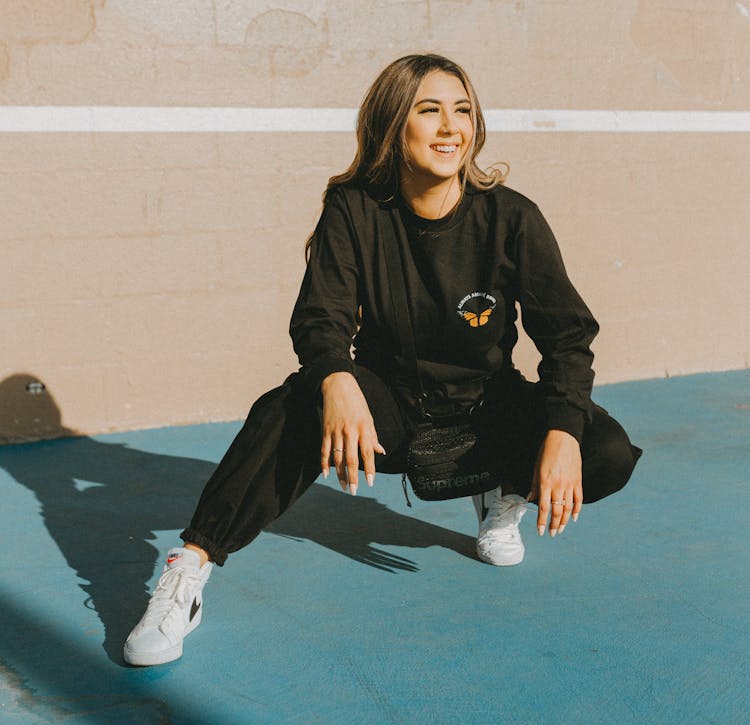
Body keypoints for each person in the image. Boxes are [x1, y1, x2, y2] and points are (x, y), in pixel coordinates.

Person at [123, 53, 642, 667]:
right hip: (388, 411)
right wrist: (336, 380)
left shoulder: (511, 217)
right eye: (430, 111)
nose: (451, 127)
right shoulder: (354, 208)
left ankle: (504, 492)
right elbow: (322, 316)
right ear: (394, 126)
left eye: (462, 111)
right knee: (294, 403)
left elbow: (567, 335)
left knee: (600, 448)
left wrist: (560, 430)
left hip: (487, 409)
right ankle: (190, 570)